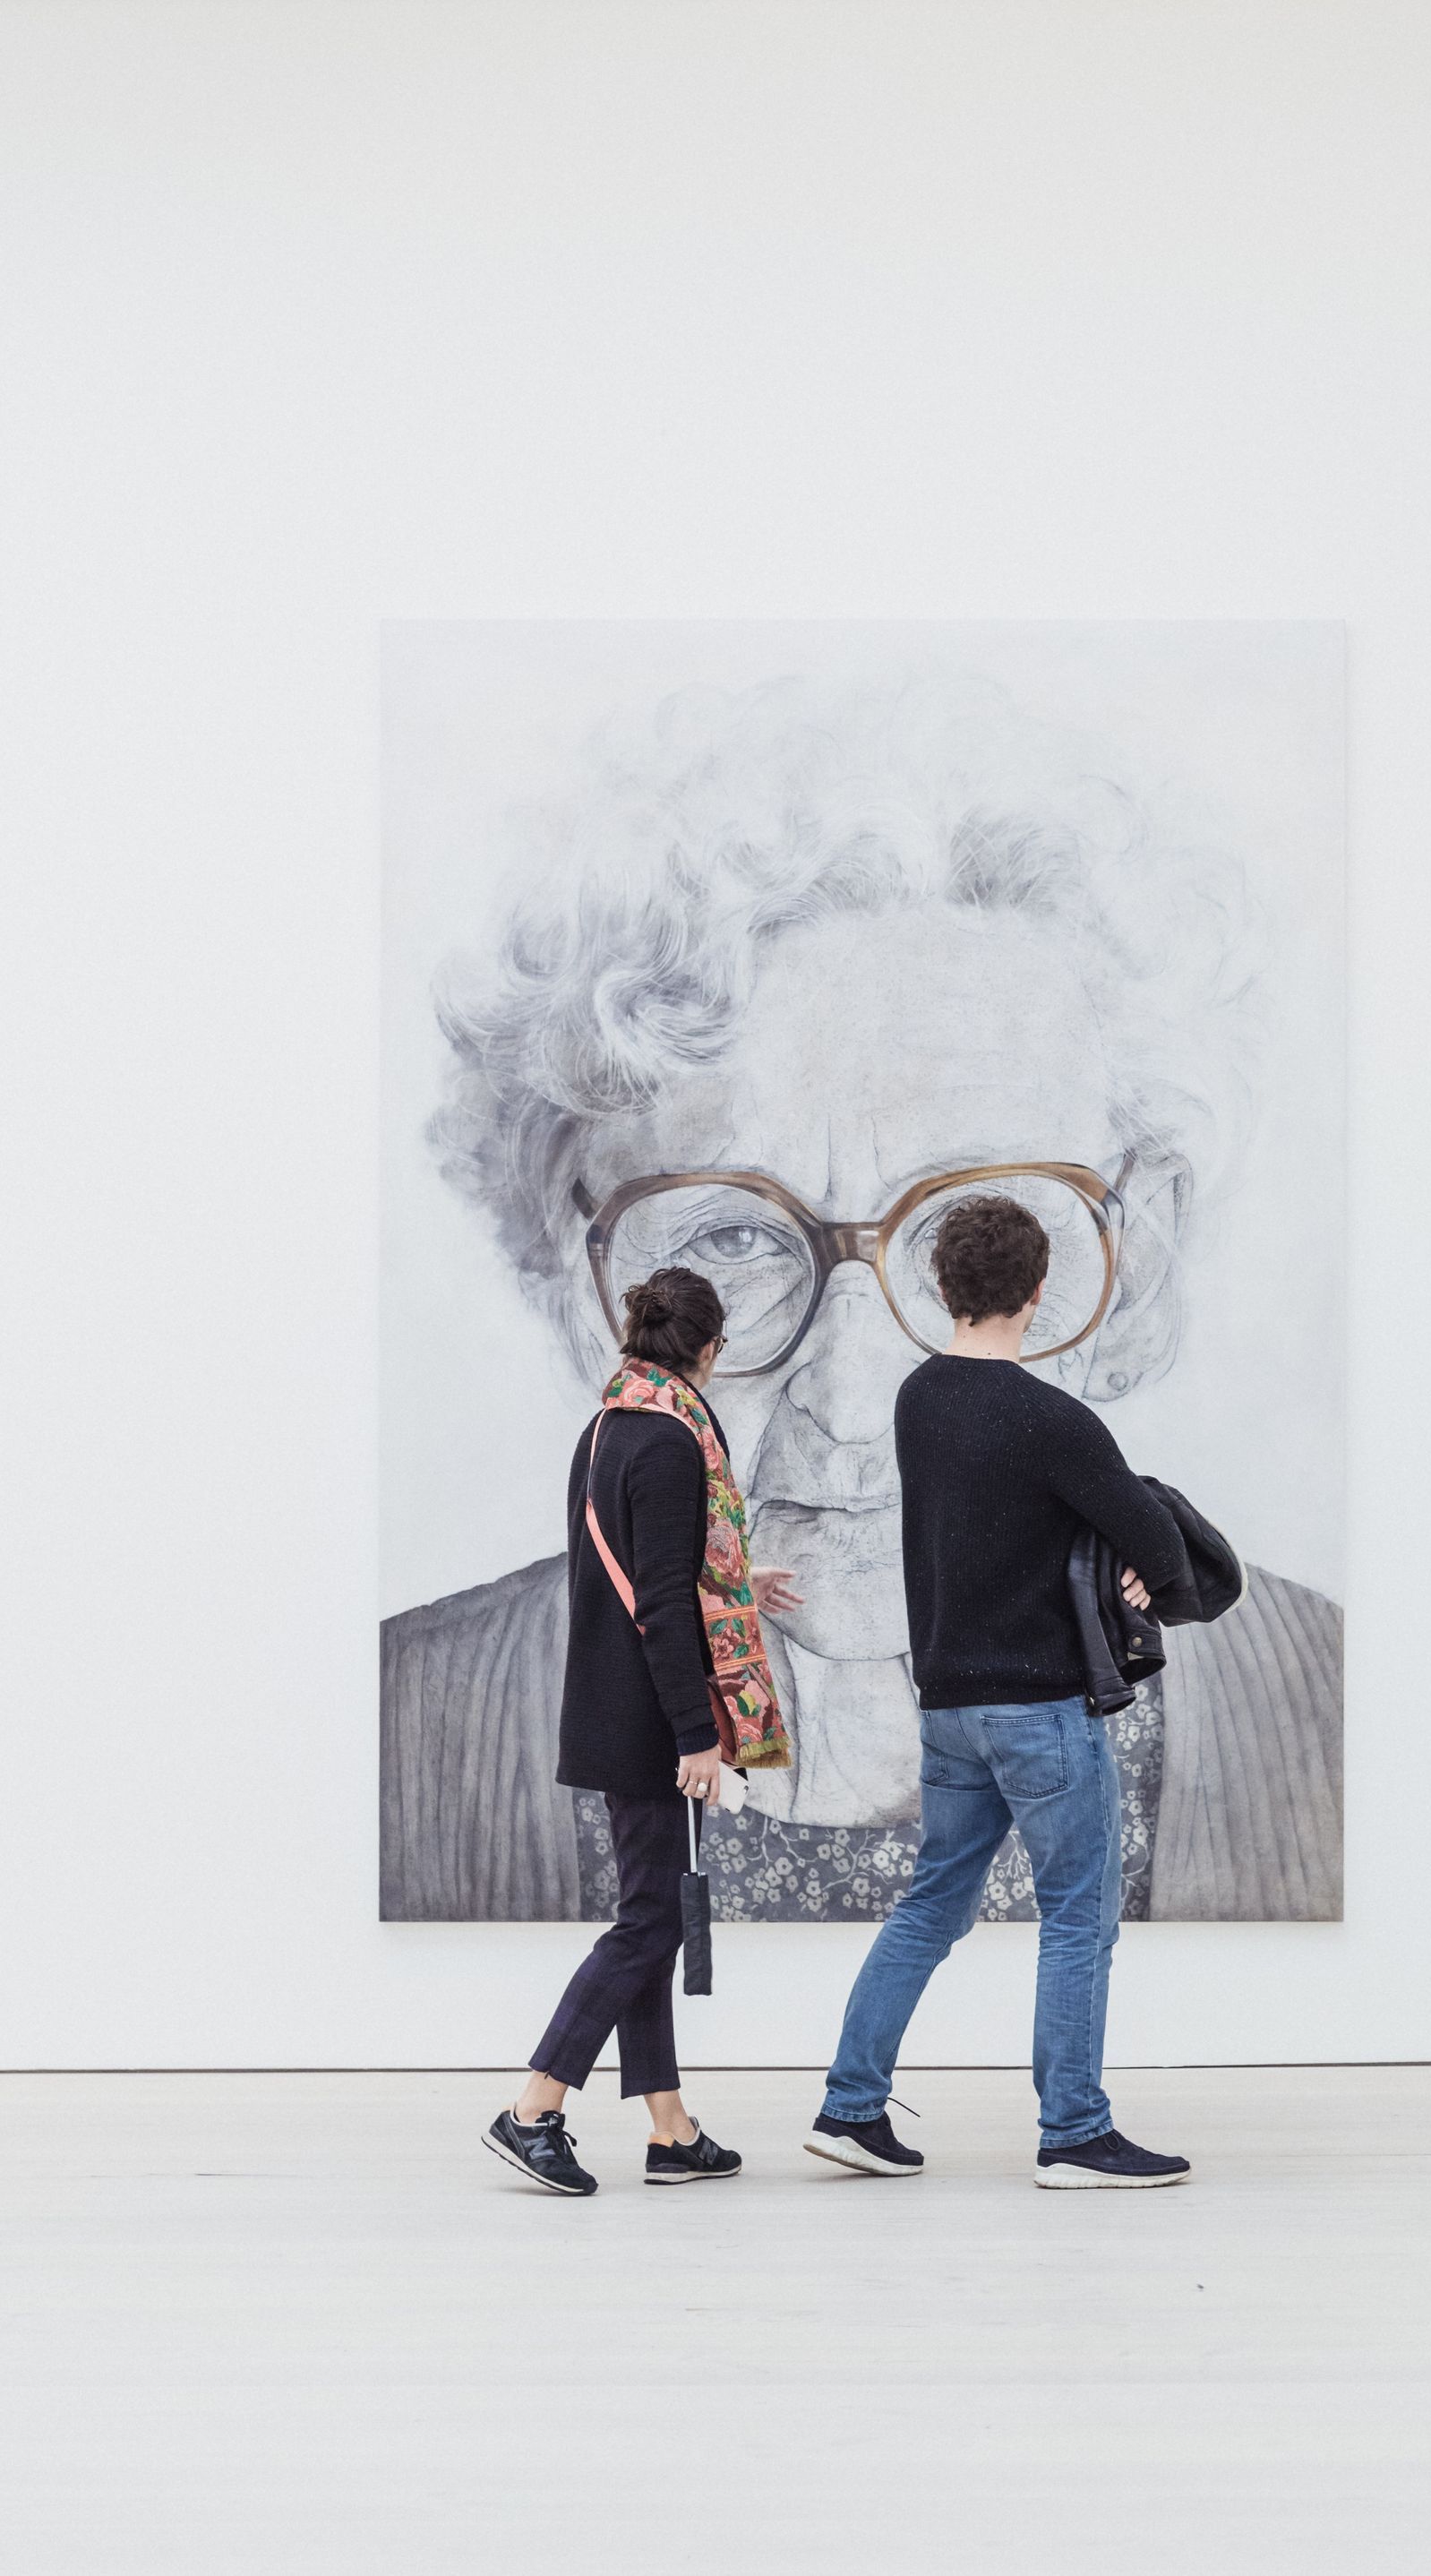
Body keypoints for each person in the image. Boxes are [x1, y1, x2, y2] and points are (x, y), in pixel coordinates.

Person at [382, 673, 1341, 1924]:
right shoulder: (399, 1724)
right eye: (732, 1233)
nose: (852, 1397)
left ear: (1135, 1259)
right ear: (586, 1281)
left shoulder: (1335, 1703)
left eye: (970, 1229)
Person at [807, 1194, 1195, 2189]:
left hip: (948, 1708)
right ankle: (1074, 2131)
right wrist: (1145, 1572)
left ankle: (850, 2106)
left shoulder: (916, 1400)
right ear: (1036, 1293)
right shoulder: (1054, 1420)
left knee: (932, 1902)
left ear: (942, 1286)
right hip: (1041, 1711)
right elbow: (1157, 1542)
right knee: (1077, 1917)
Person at [483, 1266, 801, 2196]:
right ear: (709, 1348)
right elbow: (658, 1598)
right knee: (650, 1919)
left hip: (616, 1702)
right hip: (650, 1719)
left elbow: (652, 1566)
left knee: (651, 1913)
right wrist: (698, 1735)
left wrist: (740, 1583)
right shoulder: (671, 1440)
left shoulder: (611, 1424)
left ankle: (670, 2128)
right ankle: (534, 2106)